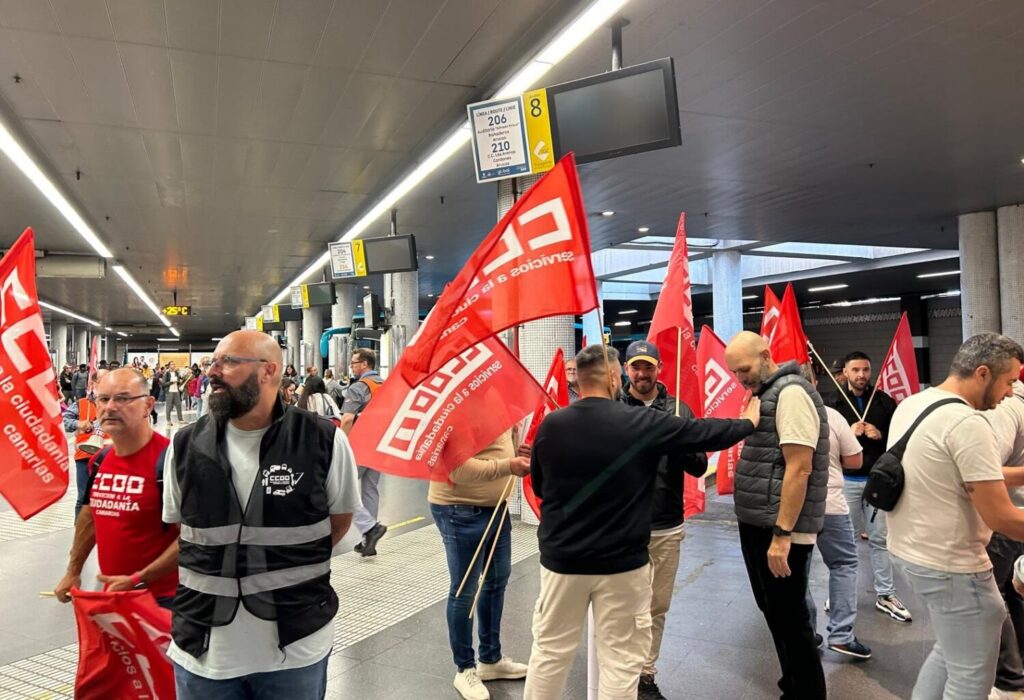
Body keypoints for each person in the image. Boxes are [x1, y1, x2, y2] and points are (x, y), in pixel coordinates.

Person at [523, 345, 757, 700]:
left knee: (549, 654)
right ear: (616, 376)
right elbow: (704, 432)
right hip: (623, 564)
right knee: (621, 660)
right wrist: (749, 423)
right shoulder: (640, 422)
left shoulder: (552, 424)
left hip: (562, 562)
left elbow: (539, 486)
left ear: (579, 379)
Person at [163, 330, 361, 699]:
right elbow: (183, 527)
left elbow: (338, 522)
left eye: (229, 362)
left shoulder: (323, 440)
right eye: (213, 361)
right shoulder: (186, 444)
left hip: (295, 644)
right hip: (203, 646)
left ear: (268, 370)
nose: (212, 371)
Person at [888, 333, 1024, 698]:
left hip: (910, 553)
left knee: (950, 654)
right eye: (1010, 381)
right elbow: (1003, 518)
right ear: (983, 373)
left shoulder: (914, 405)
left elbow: (960, 474)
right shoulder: (969, 423)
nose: (1011, 393)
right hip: (954, 567)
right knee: (970, 681)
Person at [724, 331, 830, 700]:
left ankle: (807, 693)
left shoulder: (791, 394)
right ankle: (794, 687)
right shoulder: (768, 394)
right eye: (735, 373)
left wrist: (783, 534)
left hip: (779, 529)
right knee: (776, 614)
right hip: (762, 523)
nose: (741, 379)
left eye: (745, 369)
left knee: (790, 618)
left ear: (766, 355)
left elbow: (799, 468)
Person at [616, 340, 707, 700]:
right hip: (623, 526)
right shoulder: (614, 409)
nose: (642, 374)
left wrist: (676, 440)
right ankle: (621, 674)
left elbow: (699, 465)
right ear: (626, 369)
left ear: (658, 370)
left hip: (667, 524)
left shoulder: (678, 408)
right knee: (622, 606)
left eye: (648, 367)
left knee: (656, 607)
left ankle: (646, 675)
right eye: (636, 367)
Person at [54, 369, 179, 609]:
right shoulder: (100, 459)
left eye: (122, 398)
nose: (110, 407)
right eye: (103, 399)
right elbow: (89, 517)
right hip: (115, 597)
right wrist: (73, 571)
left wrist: (137, 579)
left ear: (148, 405)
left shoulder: (173, 461)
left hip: (164, 602)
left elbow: (194, 537)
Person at [430, 431, 531, 700]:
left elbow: (500, 448)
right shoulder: (460, 409)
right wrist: (508, 465)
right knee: (464, 589)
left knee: (497, 579)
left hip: (497, 507)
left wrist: (516, 453)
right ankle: (464, 668)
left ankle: (490, 658)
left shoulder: (500, 401)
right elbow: (459, 468)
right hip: (459, 509)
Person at [827, 350, 911, 623]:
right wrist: (847, 435)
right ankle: (841, 592)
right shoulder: (834, 404)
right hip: (846, 482)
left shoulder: (885, 403)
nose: (861, 375)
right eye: (856, 370)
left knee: (879, 540)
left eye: (865, 370)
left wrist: (881, 434)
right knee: (844, 541)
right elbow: (823, 443)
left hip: (877, 482)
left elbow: (901, 440)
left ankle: (886, 594)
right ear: (846, 373)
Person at [804, 368, 872, 659]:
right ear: (815, 381)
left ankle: (806, 635)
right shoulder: (831, 415)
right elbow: (855, 460)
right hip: (830, 504)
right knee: (843, 564)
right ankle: (842, 635)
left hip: (794, 510)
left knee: (796, 574)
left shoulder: (771, 414)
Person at [987, 376, 1024, 700]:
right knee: (997, 595)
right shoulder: (1010, 407)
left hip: (1014, 518)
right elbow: (987, 469)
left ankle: (1012, 677)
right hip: (1008, 518)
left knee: (1009, 594)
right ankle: (1009, 680)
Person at [339, 348, 388, 556]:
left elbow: (347, 419)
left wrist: (340, 444)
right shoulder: (385, 384)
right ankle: (368, 541)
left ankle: (369, 527)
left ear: (364, 364)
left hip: (360, 444)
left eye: (354, 363)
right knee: (370, 490)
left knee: (342, 489)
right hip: (380, 444)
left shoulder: (357, 387)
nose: (352, 367)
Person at [162, 361, 184, 425]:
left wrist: (180, 381)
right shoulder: (166, 373)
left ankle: (180, 419)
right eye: (172, 364)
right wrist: (171, 382)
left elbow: (178, 381)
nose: (173, 365)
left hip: (176, 391)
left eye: (174, 364)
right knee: (169, 406)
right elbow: (163, 384)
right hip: (169, 391)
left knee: (178, 406)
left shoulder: (176, 373)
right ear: (169, 366)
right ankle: (168, 420)